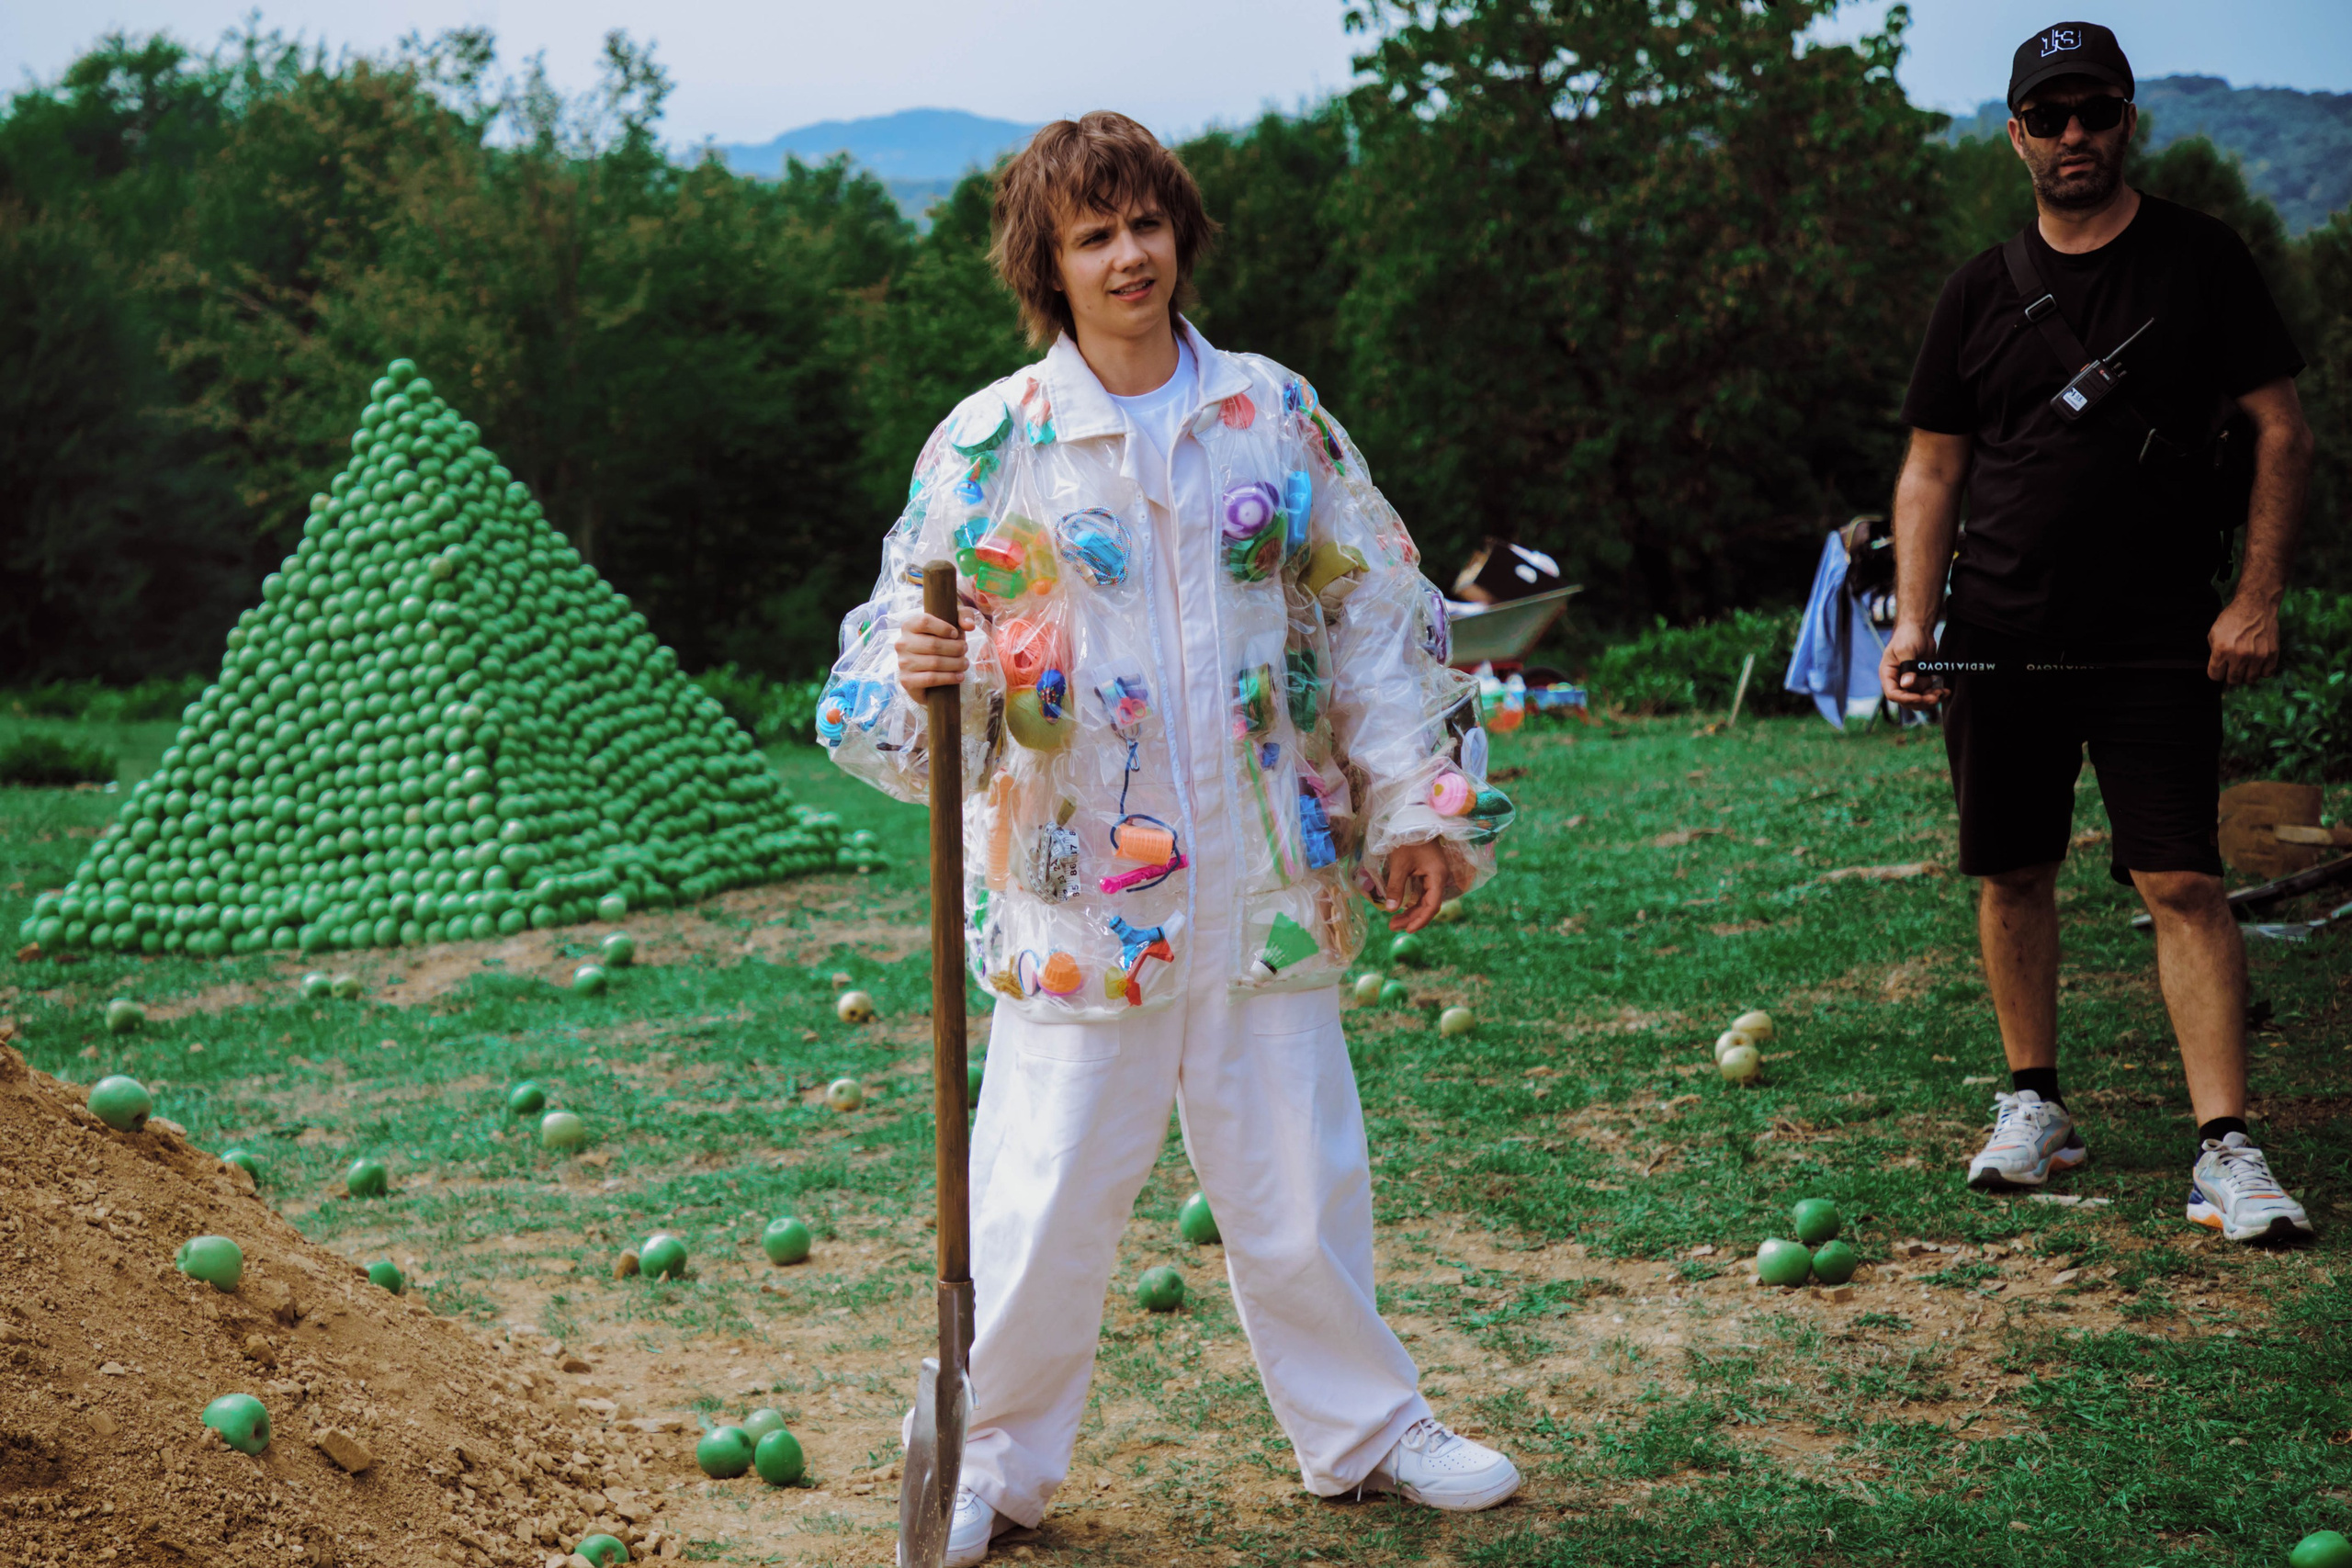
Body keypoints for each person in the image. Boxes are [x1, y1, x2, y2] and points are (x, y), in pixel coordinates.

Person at [820, 113, 1522, 1566]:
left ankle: (1368, 1430)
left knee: (1300, 1178)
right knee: (1043, 1196)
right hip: (1080, 896)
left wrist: (1406, 806)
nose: (1127, 254)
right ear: (1049, 265)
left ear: (1179, 233)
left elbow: (1376, 615)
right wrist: (925, 679)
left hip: (1263, 868)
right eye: (1093, 234)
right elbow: (900, 650)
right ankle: (987, 1465)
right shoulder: (993, 440)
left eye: (1144, 223)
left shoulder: (1270, 413)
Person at [1880, 22, 2316, 1242]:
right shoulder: (1979, 287)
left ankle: (2226, 1148)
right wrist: (1916, 620)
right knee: (2011, 870)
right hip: (1998, 629)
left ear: (2129, 121)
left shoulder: (2202, 261)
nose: (2076, 136)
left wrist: (2258, 594)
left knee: (2182, 876)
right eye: (2051, 116)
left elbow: (2282, 431)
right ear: (2017, 133)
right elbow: (1930, 469)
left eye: (2098, 112)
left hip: (2160, 632)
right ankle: (2035, 1106)